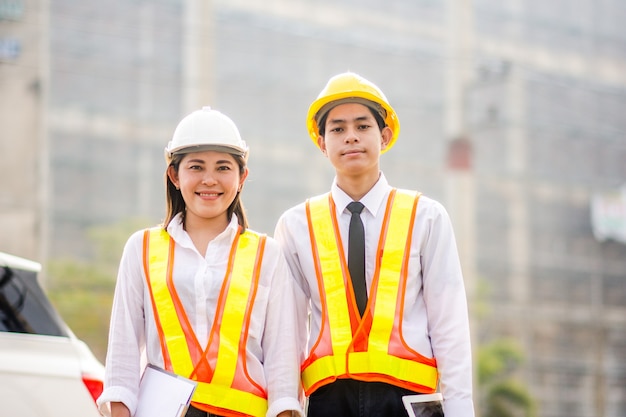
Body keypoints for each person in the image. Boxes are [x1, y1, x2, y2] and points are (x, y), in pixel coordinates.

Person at [274, 72, 475, 417]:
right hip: (329, 400)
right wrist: (284, 402)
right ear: (322, 143)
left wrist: (460, 409)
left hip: (409, 400)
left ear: (384, 136)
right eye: (337, 129)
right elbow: (285, 326)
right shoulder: (295, 226)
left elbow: (449, 322)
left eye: (362, 126)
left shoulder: (426, 217)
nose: (350, 137)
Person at [97, 107, 303, 417]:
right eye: (196, 167)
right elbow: (123, 352)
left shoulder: (267, 254)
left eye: (223, 168)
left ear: (242, 177)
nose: (209, 180)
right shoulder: (141, 248)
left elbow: (282, 358)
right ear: (174, 176)